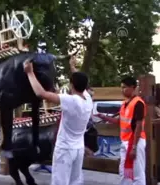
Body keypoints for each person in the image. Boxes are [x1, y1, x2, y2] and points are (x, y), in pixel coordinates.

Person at [23, 55, 93, 185]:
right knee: (75, 181)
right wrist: (72, 67)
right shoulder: (88, 99)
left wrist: (30, 73)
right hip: (78, 148)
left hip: (65, 149)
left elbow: (41, 94)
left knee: (60, 182)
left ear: (71, 84)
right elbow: (80, 80)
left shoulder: (71, 100)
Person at [95, 76, 146, 185]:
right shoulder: (125, 104)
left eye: (125, 88)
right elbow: (120, 121)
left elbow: (139, 126)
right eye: (121, 88)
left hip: (135, 142)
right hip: (126, 142)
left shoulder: (138, 103)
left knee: (138, 174)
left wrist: (134, 147)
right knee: (124, 172)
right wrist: (104, 117)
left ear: (133, 87)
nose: (122, 90)